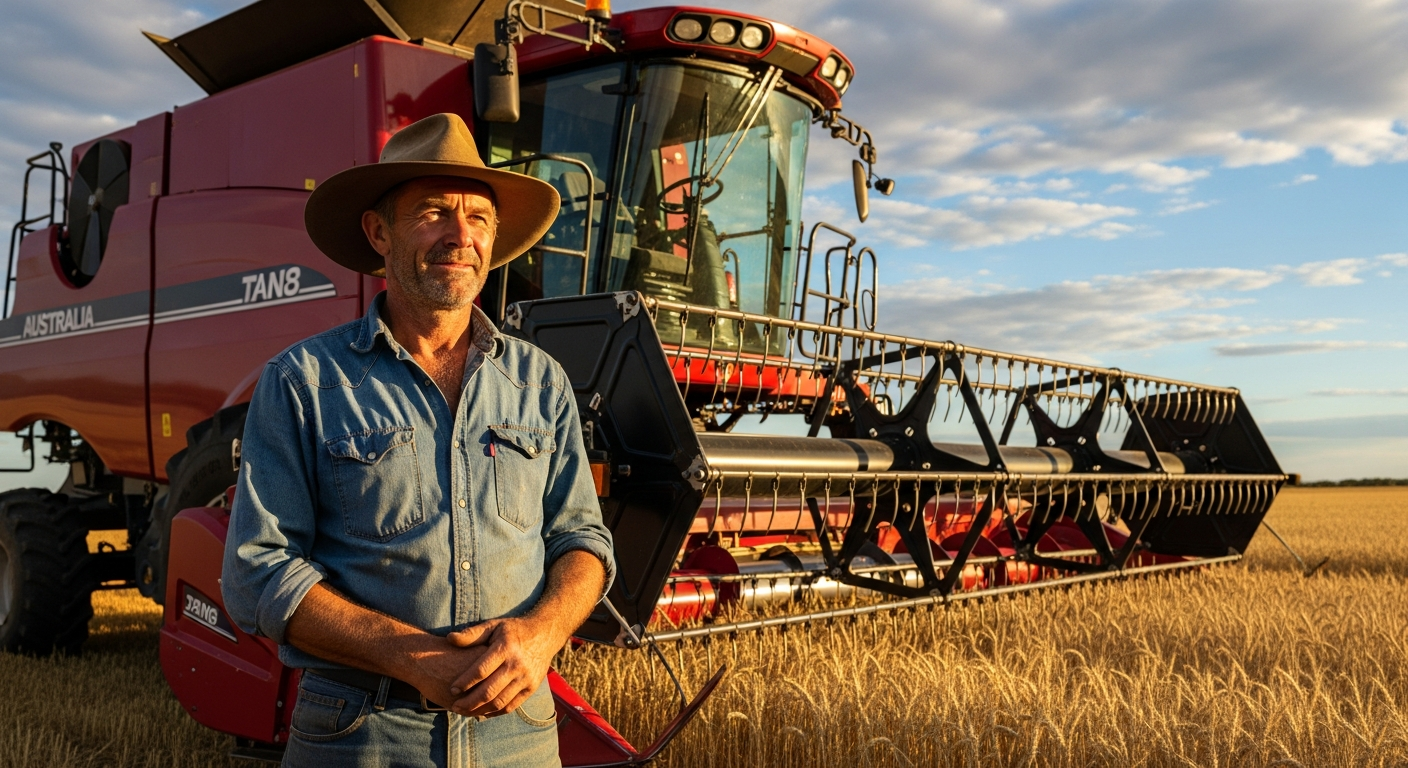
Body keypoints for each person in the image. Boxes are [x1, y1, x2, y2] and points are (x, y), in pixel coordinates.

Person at [222, 112, 615, 768]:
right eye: (433, 212)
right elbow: (257, 572)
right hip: (364, 733)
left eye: (479, 218)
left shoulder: (539, 379)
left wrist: (540, 637)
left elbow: (582, 540)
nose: (461, 236)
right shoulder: (304, 380)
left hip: (519, 733)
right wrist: (414, 658)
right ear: (378, 232)